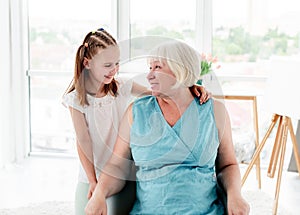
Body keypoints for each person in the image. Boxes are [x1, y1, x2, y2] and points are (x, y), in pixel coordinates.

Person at [85, 40, 250, 215]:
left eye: (157, 67)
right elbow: (117, 166)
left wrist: (235, 195)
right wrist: (99, 194)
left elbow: (228, 165)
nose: (149, 76)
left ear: (180, 70)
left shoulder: (214, 110)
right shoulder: (136, 112)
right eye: (150, 68)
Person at [62, 28, 209, 215]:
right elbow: (83, 141)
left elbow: (158, 92)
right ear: (87, 63)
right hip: (93, 173)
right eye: (108, 65)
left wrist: (189, 84)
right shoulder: (76, 100)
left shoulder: (122, 85)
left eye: (117, 63)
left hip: (124, 170)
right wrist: (93, 181)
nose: (114, 70)